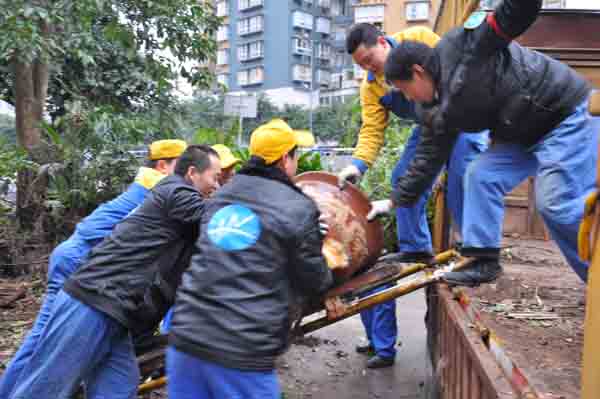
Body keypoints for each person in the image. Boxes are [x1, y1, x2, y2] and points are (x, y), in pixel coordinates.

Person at [372, 0, 595, 286]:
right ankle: (484, 260)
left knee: (556, 204)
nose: (409, 99)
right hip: (522, 134)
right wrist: (393, 201)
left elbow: (513, 14)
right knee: (481, 175)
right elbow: (426, 161)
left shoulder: (465, 48)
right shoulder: (433, 110)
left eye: (406, 90)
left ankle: (596, 277)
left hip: (564, 114)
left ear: (417, 72)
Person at [8, 145, 221, 399]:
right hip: (94, 301)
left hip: (115, 308)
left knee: (118, 386)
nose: (217, 186)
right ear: (193, 173)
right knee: (44, 389)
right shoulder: (178, 192)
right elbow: (216, 222)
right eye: (215, 177)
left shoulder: (174, 195)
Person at [340, 23, 489, 368]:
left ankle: (475, 251)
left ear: (381, 41)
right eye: (361, 66)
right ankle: (416, 248)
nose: (368, 69)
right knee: (401, 178)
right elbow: (373, 129)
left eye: (369, 60)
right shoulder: (372, 87)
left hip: (462, 113)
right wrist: (357, 165)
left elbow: (455, 71)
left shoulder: (419, 39)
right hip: (428, 125)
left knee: (462, 179)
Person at [167, 119, 336, 399]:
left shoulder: (221, 196)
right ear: (285, 160)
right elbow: (315, 281)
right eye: (296, 157)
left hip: (185, 338)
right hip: (241, 350)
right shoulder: (298, 206)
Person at [159, 143, 241, 334]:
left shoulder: (201, 198)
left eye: (231, 172)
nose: (228, 178)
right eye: (220, 175)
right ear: (195, 173)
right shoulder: (186, 199)